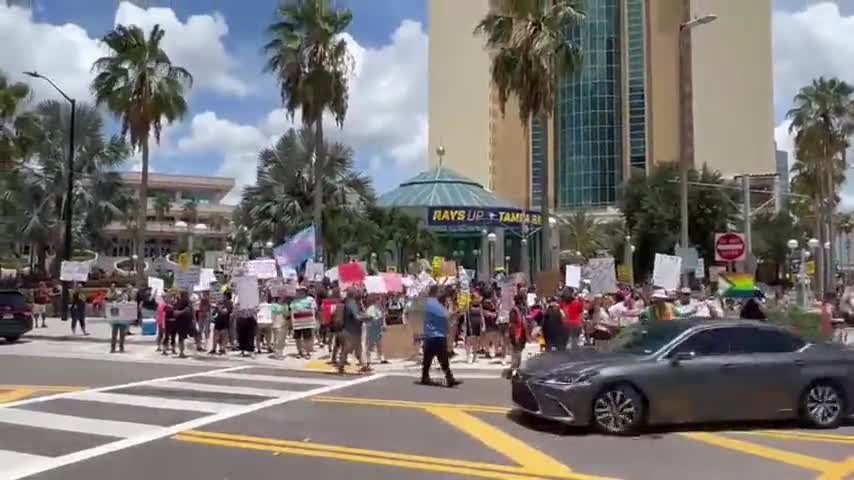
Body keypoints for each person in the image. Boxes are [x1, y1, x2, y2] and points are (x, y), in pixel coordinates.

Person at [420, 285, 462, 387]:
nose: (442, 293)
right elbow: (447, 316)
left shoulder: (428, 303)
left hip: (431, 334)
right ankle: (449, 378)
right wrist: (456, 312)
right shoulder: (433, 303)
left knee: (428, 358)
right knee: (442, 357)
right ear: (435, 292)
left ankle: (425, 377)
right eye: (440, 291)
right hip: (436, 335)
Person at [338, 286, 368, 374]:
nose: (360, 293)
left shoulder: (350, 303)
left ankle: (364, 366)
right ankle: (340, 366)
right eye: (357, 292)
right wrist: (367, 317)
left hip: (352, 330)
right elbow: (357, 317)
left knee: (358, 350)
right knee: (346, 350)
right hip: (351, 331)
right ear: (354, 294)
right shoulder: (352, 304)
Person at [290, 285, 318, 358]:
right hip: (297, 324)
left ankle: (308, 352)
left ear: (305, 291)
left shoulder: (310, 299)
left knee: (307, 338)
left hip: (307, 323)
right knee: (297, 338)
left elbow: (314, 309)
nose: (300, 292)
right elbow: (292, 311)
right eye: (299, 291)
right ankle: (300, 352)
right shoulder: (294, 301)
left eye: (302, 290)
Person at [363, 293, 387, 365]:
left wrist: (383, 324)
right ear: (376, 301)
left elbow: (382, 318)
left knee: (379, 344)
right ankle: (368, 360)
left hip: (378, 329)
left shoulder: (381, 308)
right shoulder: (371, 308)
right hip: (371, 329)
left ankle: (381, 358)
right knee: (369, 345)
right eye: (380, 300)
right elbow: (371, 318)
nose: (382, 301)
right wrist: (380, 317)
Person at [508, 292, 529, 373]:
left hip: (522, 334)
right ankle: (514, 368)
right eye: (524, 299)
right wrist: (515, 337)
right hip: (517, 334)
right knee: (516, 351)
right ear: (520, 300)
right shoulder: (514, 311)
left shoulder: (523, 309)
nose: (525, 301)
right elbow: (512, 325)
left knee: (519, 350)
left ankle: (516, 367)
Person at [172, 290, 194, 358]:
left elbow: (192, 311)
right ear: (183, 296)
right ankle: (181, 352)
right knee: (181, 338)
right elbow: (175, 313)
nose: (188, 296)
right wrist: (183, 311)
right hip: (180, 323)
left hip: (189, 323)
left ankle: (186, 350)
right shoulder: (178, 303)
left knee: (193, 335)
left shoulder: (189, 303)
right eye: (186, 295)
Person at [465, 290, 485, 363]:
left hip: (477, 325)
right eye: (476, 298)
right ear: (472, 298)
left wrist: (483, 325)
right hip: (470, 325)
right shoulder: (468, 305)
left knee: (476, 341)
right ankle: (468, 356)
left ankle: (475, 357)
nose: (477, 299)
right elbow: (466, 316)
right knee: (469, 341)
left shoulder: (480, 305)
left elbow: (482, 315)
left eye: (478, 297)